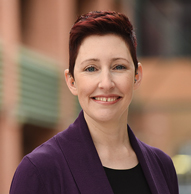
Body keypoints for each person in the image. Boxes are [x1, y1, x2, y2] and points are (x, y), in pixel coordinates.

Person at [9, 11, 178, 194]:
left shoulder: (163, 166)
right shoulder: (39, 170)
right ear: (71, 81)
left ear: (137, 76)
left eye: (119, 67)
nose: (106, 83)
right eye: (91, 68)